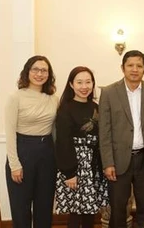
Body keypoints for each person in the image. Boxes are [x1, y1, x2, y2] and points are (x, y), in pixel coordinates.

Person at [99, 50, 144, 228]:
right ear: (122, 68)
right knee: (118, 208)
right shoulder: (109, 92)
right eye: (130, 65)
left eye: (139, 66)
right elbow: (104, 131)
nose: (135, 69)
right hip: (118, 161)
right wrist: (108, 162)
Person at [5, 55, 59, 227]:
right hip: (23, 152)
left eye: (44, 70)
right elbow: (10, 132)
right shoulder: (16, 97)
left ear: (49, 74)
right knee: (21, 208)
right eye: (35, 69)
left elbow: (56, 131)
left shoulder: (53, 98)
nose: (39, 74)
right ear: (27, 72)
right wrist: (15, 165)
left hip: (47, 154)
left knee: (44, 206)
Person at [55, 66, 108, 227]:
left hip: (94, 165)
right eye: (79, 82)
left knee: (90, 211)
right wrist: (70, 173)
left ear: (93, 84)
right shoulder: (65, 108)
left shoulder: (95, 107)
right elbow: (63, 141)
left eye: (88, 82)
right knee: (76, 212)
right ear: (71, 84)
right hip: (75, 166)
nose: (84, 86)